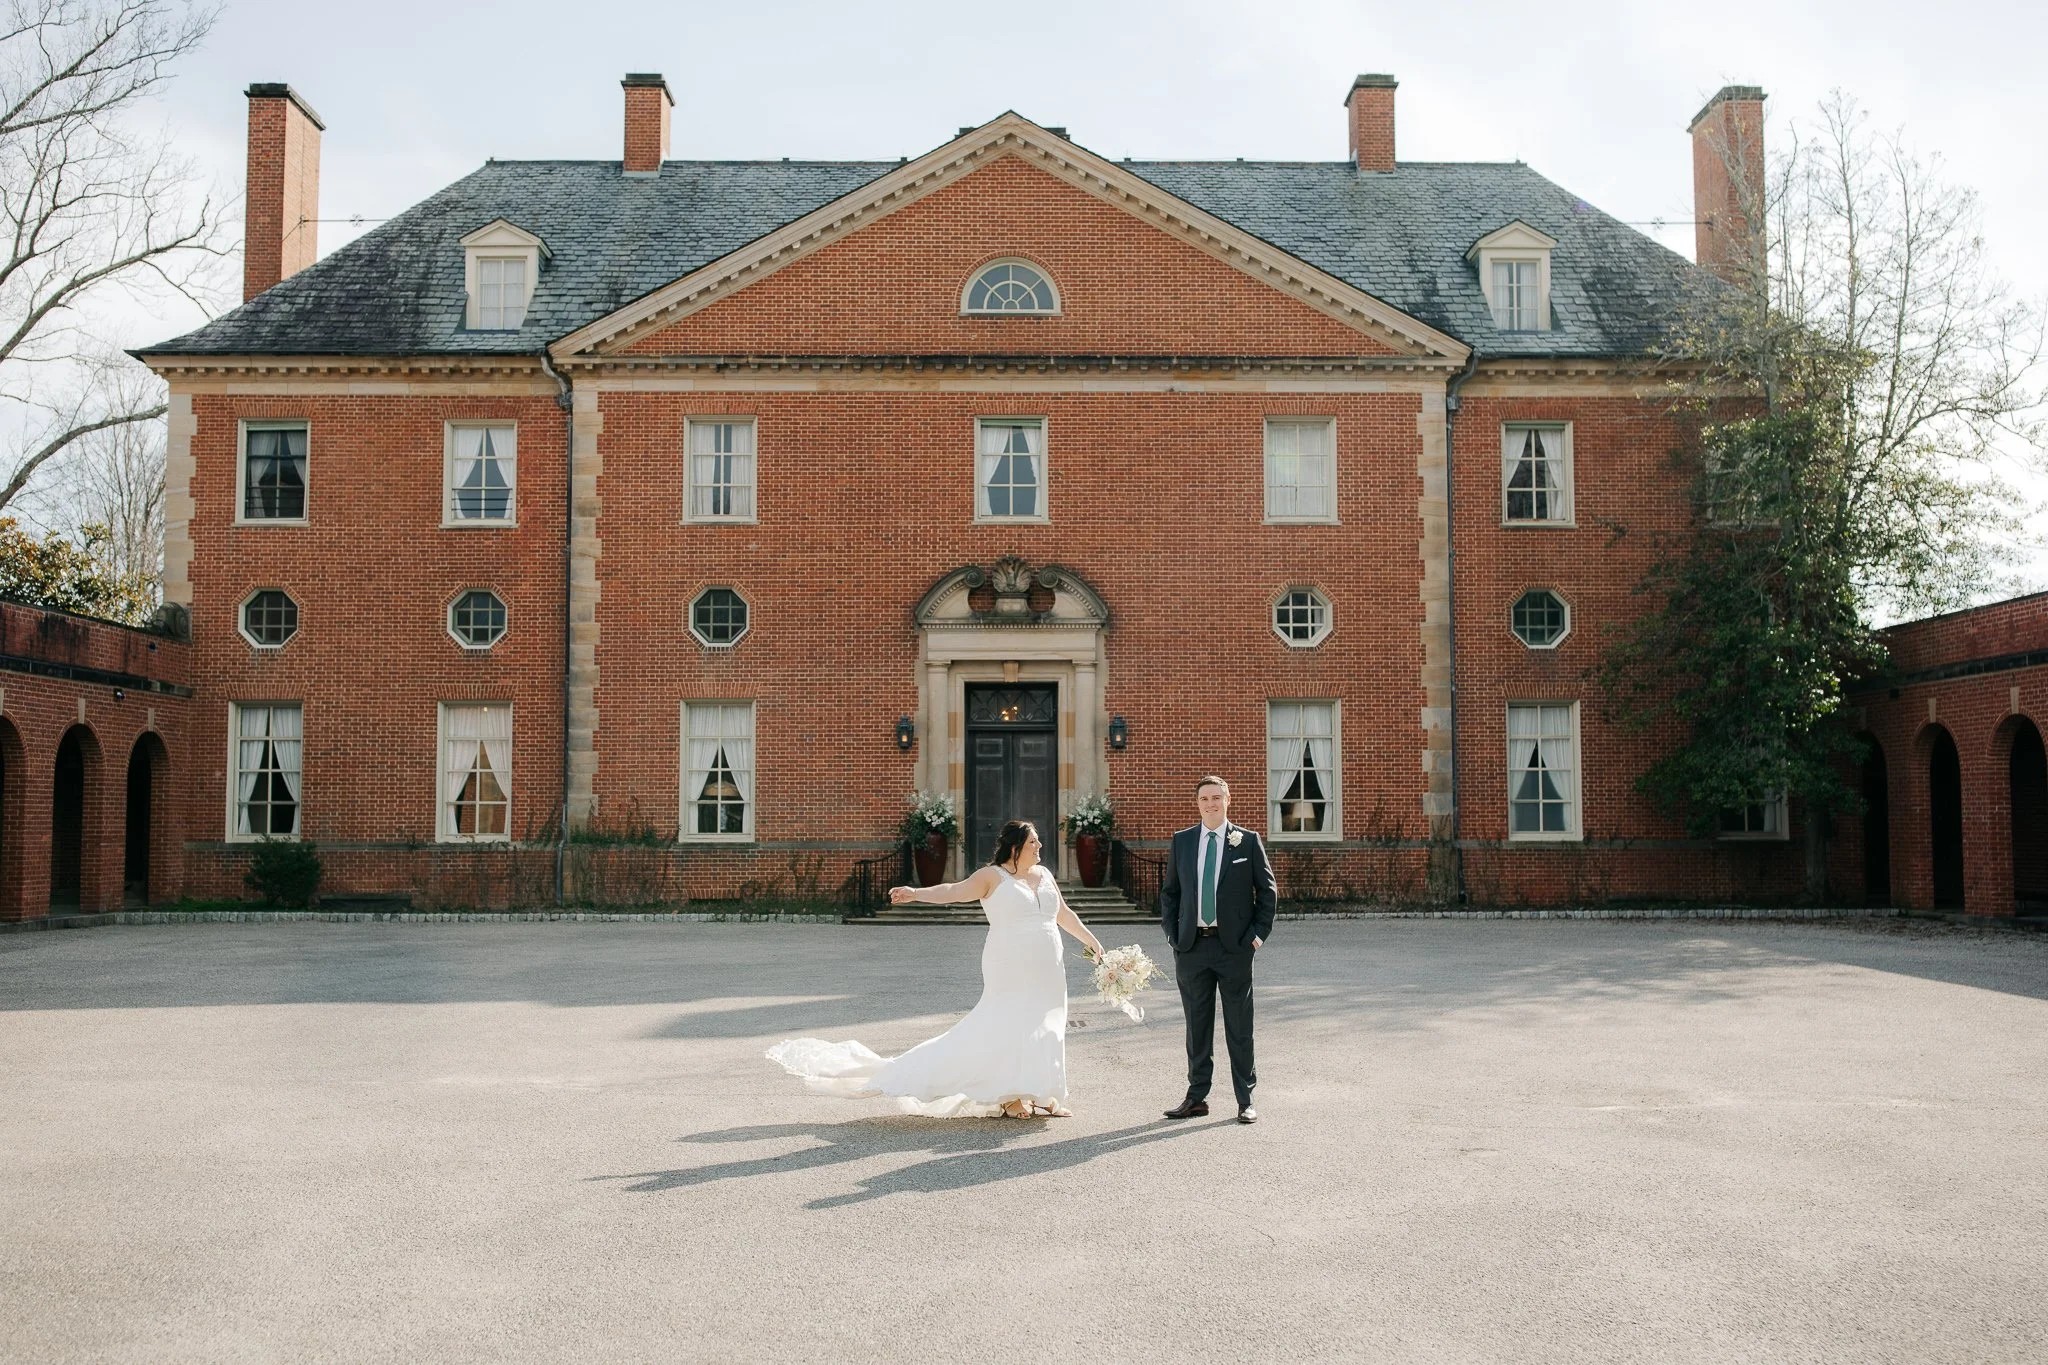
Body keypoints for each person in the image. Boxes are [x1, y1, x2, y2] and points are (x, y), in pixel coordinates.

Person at [767, 819, 1106, 1119]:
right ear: (1015, 848)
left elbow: (1063, 913)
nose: (1040, 846)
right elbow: (953, 892)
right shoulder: (992, 876)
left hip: (1049, 964)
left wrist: (1091, 941)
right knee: (1008, 1023)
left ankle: (1044, 1092)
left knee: (1047, 1025)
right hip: (1009, 963)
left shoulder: (1044, 875)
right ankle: (1011, 1096)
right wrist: (915, 893)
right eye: (1034, 842)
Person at [1158, 775, 1276, 1124]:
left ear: (1228, 800)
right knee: (1197, 1027)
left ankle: (1245, 1099)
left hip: (1235, 949)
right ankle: (1197, 1097)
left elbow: (1267, 893)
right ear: (1197, 804)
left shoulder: (1248, 841)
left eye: (1216, 797)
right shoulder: (1182, 842)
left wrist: (1256, 938)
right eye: (1204, 798)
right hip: (1192, 948)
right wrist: (1173, 936)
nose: (1210, 803)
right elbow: (1170, 894)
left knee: (1240, 1027)